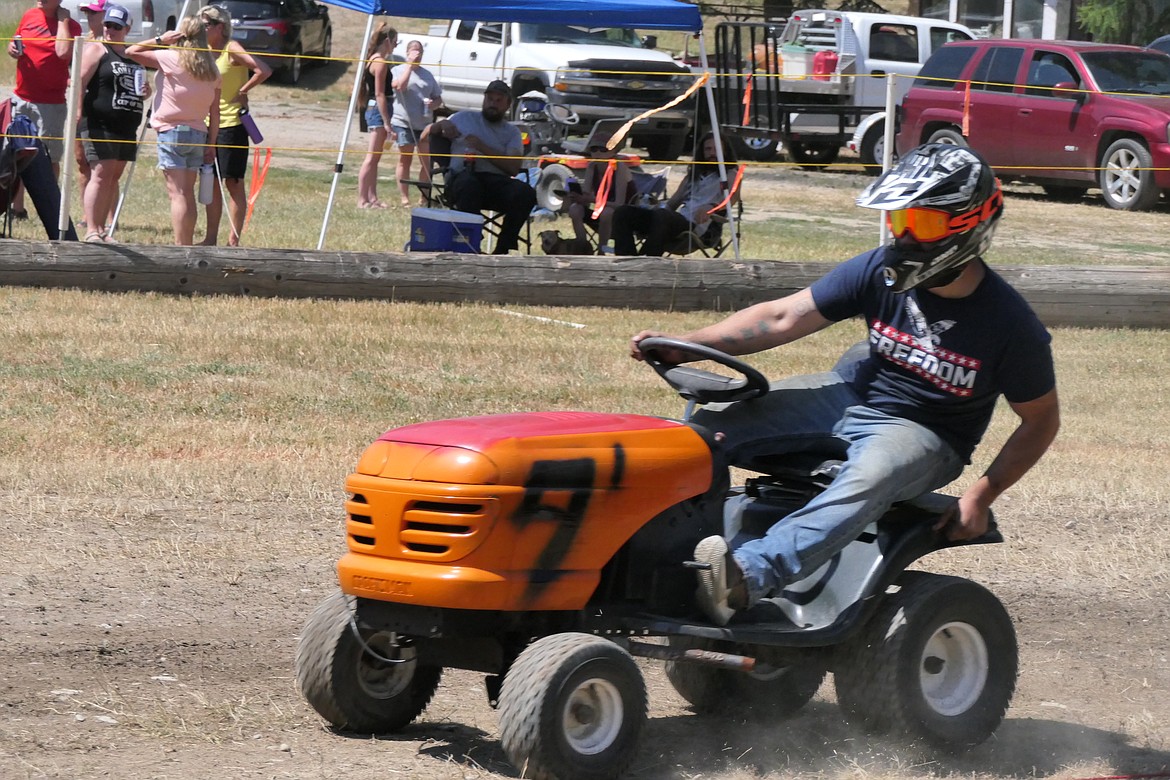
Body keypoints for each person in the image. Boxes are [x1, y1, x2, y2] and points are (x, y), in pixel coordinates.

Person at [629, 143, 1061, 626]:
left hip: (927, 432)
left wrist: (981, 494)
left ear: (969, 224)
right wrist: (686, 343)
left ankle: (743, 577)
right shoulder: (878, 269)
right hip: (849, 395)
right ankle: (656, 553)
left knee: (868, 479)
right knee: (705, 431)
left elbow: (1041, 419)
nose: (905, 237)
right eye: (900, 221)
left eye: (925, 223)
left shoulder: (1010, 325)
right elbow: (782, 316)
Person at [126, 17, 221, 246]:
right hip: (199, 133)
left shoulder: (170, 58)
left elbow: (131, 51)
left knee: (177, 194)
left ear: (180, 35)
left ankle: (181, 247)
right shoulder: (211, 68)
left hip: (172, 131)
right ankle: (186, 244)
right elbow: (215, 112)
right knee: (187, 193)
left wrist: (160, 39)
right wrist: (212, 143)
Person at [421, 80, 536, 255]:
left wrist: (483, 148)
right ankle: (472, 242)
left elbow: (513, 168)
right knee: (469, 184)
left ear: (507, 105)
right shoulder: (463, 118)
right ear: (484, 100)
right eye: (490, 99)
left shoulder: (512, 133)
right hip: (461, 179)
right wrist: (440, 125)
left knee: (526, 193)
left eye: (498, 101)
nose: (493, 104)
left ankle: (502, 249)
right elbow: (424, 136)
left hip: (495, 183)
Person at [198, 4, 271, 246]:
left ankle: (233, 240)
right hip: (208, 125)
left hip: (232, 126)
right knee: (211, 182)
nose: (202, 28)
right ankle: (210, 238)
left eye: (206, 25)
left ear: (219, 27)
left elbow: (263, 69)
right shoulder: (204, 50)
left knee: (233, 182)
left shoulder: (232, 48)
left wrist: (243, 91)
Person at [7, 0, 83, 221]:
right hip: (21, 98)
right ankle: (17, 208)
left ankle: (49, 206)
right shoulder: (29, 16)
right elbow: (15, 43)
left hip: (50, 103)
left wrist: (62, 19)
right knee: (15, 154)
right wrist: (12, 48)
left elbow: (62, 53)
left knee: (49, 158)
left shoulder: (71, 26)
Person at [76, 2, 144, 243]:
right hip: (99, 122)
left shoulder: (132, 55)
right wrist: (76, 111)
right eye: (107, 25)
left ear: (127, 28)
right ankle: (92, 228)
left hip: (126, 125)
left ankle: (103, 228)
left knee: (113, 177)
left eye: (116, 26)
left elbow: (134, 86)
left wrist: (145, 90)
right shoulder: (97, 50)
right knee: (100, 174)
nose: (110, 30)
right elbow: (78, 82)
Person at [612, 133, 736, 257]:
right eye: (708, 149)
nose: (712, 153)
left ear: (725, 152)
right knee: (623, 212)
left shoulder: (730, 174)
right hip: (674, 221)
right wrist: (655, 205)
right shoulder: (693, 176)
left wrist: (711, 207)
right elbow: (673, 202)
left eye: (717, 149)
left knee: (663, 217)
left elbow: (731, 199)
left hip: (695, 227)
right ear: (702, 152)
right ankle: (626, 259)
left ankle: (646, 261)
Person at [389, 39, 442, 208]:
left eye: (419, 52)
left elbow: (438, 97)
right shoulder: (397, 70)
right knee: (405, 159)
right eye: (413, 51)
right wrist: (409, 66)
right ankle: (404, 198)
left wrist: (434, 104)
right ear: (407, 53)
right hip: (403, 121)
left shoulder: (427, 75)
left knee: (426, 161)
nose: (417, 54)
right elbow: (400, 87)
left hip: (424, 123)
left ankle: (424, 197)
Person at [562, 132, 634, 254]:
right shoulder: (592, 167)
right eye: (594, 149)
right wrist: (577, 197)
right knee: (575, 209)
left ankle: (602, 251)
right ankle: (582, 247)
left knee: (607, 212)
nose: (598, 153)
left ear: (613, 152)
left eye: (603, 150)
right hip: (600, 212)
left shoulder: (620, 168)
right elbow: (586, 194)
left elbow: (620, 204)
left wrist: (592, 199)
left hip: (624, 215)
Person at [356, 24, 397, 209]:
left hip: (373, 107)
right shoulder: (379, 63)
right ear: (387, 41)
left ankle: (372, 198)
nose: (395, 47)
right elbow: (380, 94)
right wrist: (387, 122)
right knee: (371, 157)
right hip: (378, 108)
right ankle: (362, 199)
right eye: (395, 43)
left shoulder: (373, 59)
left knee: (376, 157)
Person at [73, 0, 107, 228]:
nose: (89, 17)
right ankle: (88, 214)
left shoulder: (111, 43)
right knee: (82, 162)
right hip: (82, 109)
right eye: (87, 13)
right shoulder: (82, 42)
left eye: (94, 13)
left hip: (103, 111)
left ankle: (108, 216)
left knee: (105, 167)